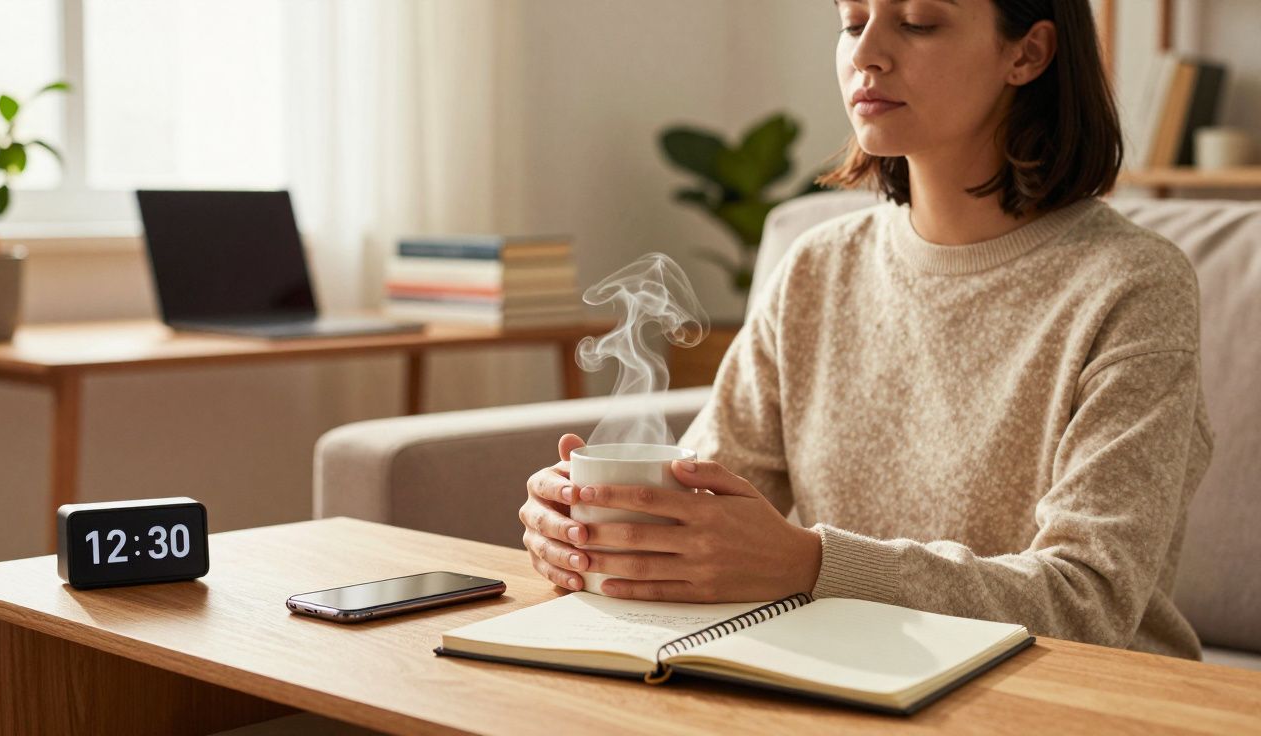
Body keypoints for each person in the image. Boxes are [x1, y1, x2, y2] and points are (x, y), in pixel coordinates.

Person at [519, 0, 1212, 659]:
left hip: (1081, 703)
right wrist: (595, 530)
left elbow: (1089, 600)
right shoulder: (817, 269)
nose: (867, 55)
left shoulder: (1134, 286)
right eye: (852, 22)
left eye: (916, 23)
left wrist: (812, 564)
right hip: (854, 688)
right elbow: (707, 504)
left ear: (1027, 53)